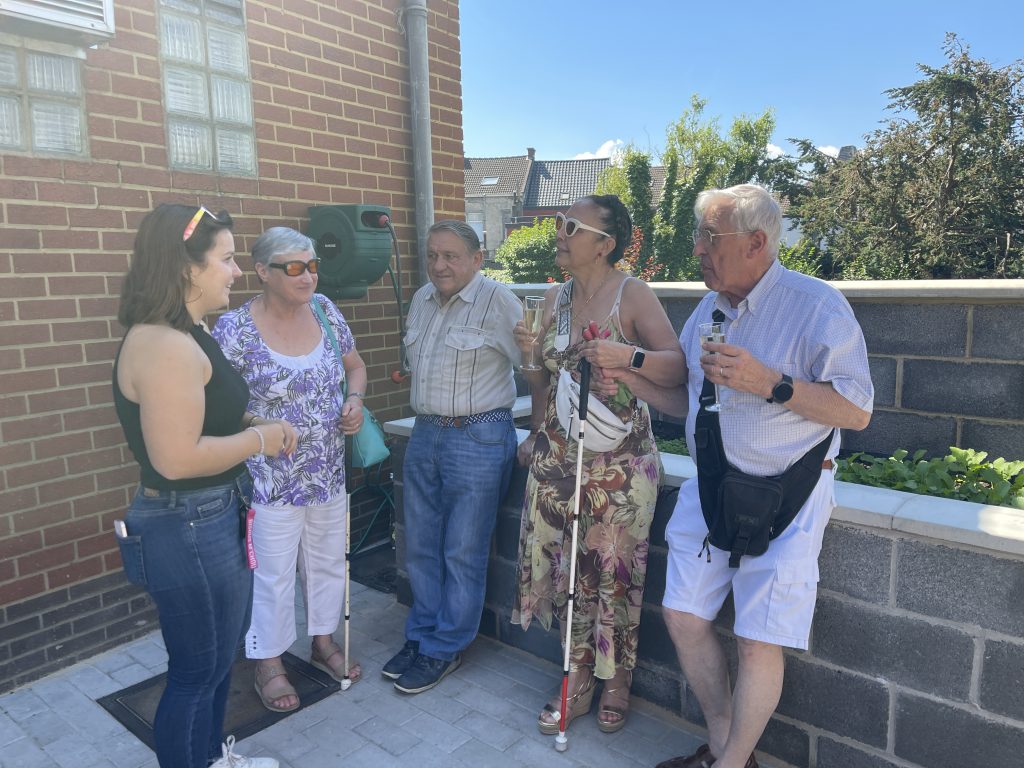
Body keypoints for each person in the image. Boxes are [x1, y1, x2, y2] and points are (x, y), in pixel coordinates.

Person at [601, 184, 873, 768]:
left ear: (756, 242)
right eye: (699, 233)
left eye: (709, 236)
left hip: (790, 494)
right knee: (682, 616)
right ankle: (727, 744)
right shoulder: (710, 307)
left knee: (757, 639)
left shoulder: (818, 305)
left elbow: (857, 409)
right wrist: (631, 381)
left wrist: (771, 383)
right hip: (715, 485)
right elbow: (688, 403)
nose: (696, 246)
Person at [112, 204, 296, 768]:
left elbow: (203, 420)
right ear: (188, 268)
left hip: (211, 515)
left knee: (217, 664)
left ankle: (213, 758)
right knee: (195, 673)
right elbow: (176, 458)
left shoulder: (191, 331)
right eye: (227, 258)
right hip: (184, 523)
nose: (237, 271)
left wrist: (249, 425)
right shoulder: (164, 345)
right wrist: (260, 441)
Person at [512, 195, 686, 736]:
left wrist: (626, 360)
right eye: (559, 223)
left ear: (605, 244)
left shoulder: (632, 295)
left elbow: (678, 370)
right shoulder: (553, 298)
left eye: (570, 225)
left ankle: (617, 681)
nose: (558, 233)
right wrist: (534, 402)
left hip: (621, 465)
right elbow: (541, 382)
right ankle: (578, 674)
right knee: (565, 574)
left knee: (611, 575)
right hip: (560, 461)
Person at [212, 227, 367, 712]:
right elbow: (215, 404)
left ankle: (323, 642)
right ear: (262, 272)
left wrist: (355, 399)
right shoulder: (233, 329)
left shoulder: (325, 310)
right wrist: (258, 423)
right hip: (268, 479)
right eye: (295, 267)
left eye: (313, 264)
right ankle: (269, 661)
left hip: (327, 471)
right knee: (273, 573)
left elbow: (355, 366)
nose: (308, 275)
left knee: (326, 561)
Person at [381, 220, 520, 694]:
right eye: (432, 255)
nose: (439, 265)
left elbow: (537, 365)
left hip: (479, 436)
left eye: (451, 256)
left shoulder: (499, 302)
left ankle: (445, 647)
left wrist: (540, 429)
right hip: (426, 433)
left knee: (462, 550)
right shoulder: (421, 298)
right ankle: (421, 636)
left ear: (477, 259)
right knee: (420, 544)